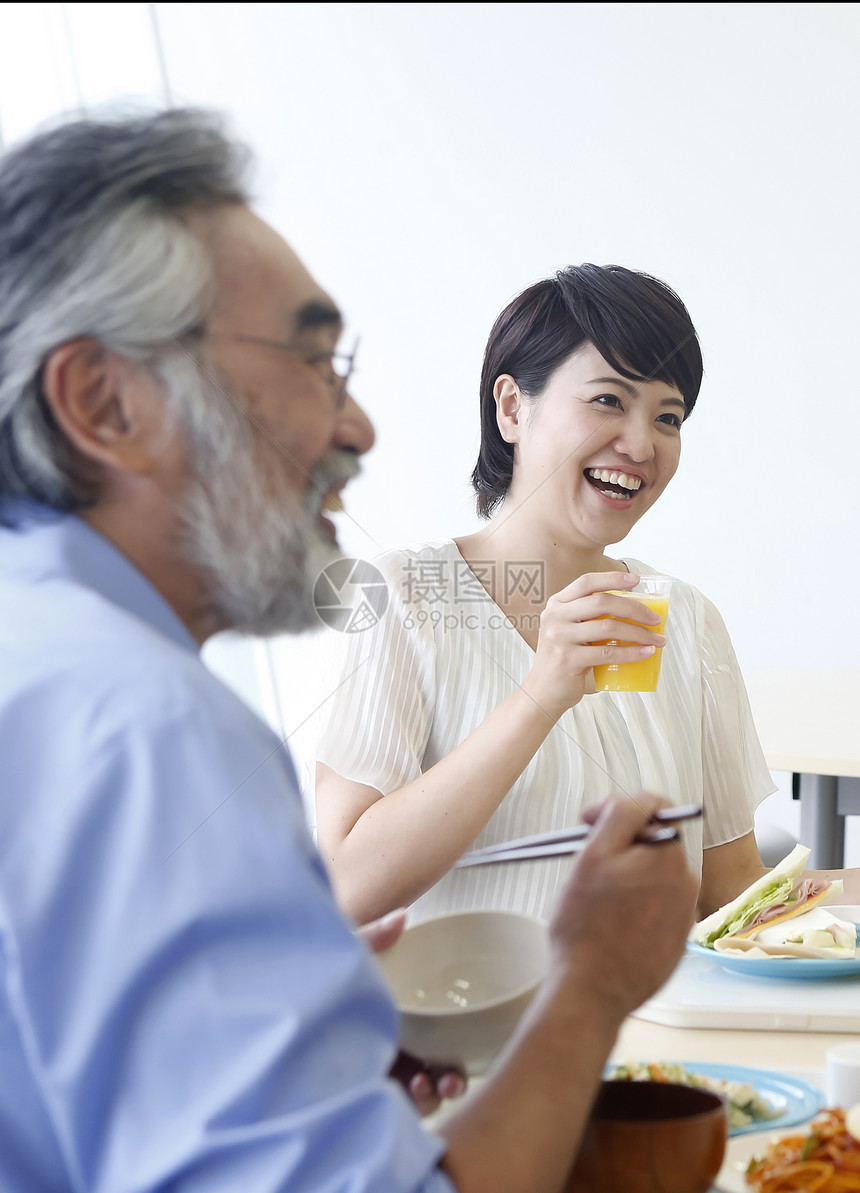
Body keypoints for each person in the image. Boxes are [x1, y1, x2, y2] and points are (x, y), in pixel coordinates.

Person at [0, 108, 699, 1193]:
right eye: (312, 359)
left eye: (669, 415)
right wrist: (594, 980)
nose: (359, 423)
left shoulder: (46, 653)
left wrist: (316, 1041)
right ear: (103, 402)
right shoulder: (145, 721)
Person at [314, 265, 860, 928]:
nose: (641, 443)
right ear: (512, 407)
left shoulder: (685, 619)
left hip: (653, 1025)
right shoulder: (407, 596)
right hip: (468, 1027)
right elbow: (347, 891)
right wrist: (541, 694)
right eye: (609, 400)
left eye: (668, 416)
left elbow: (729, 893)